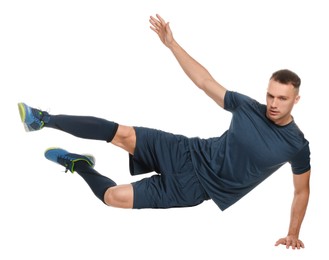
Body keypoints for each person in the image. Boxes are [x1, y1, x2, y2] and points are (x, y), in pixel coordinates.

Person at [18, 14, 310, 250]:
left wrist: (293, 232)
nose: (272, 103)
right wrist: (172, 44)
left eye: (282, 99)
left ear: (295, 99)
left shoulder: (296, 145)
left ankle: (79, 164)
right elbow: (205, 82)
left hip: (194, 189)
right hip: (186, 151)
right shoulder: (249, 108)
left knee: (112, 197)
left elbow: (301, 190)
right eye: (270, 95)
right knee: (121, 133)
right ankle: (42, 119)